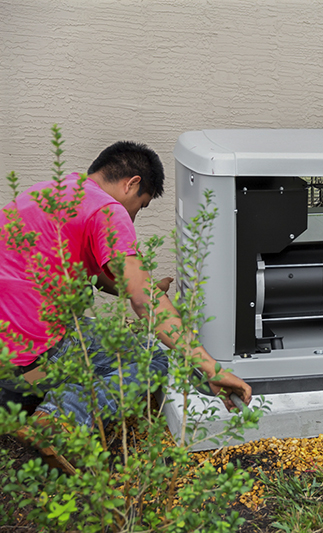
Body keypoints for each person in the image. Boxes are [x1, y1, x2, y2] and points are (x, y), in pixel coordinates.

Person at [0, 141, 252, 463]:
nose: (133, 216)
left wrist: (136, 285)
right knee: (155, 360)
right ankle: (59, 419)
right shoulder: (107, 209)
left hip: (7, 344)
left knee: (92, 326)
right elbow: (145, 303)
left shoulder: (49, 191)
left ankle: (17, 397)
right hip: (31, 349)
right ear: (132, 183)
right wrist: (209, 366)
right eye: (140, 205)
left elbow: (107, 277)